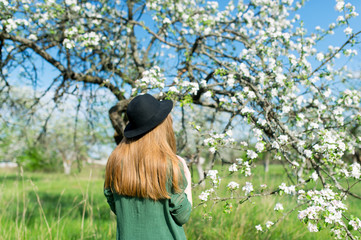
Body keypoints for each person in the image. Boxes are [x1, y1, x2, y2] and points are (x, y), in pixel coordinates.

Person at [104, 94, 192, 240]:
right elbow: (182, 216)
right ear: (161, 127)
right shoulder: (172, 165)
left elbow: (116, 208)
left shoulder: (114, 163)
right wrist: (186, 178)